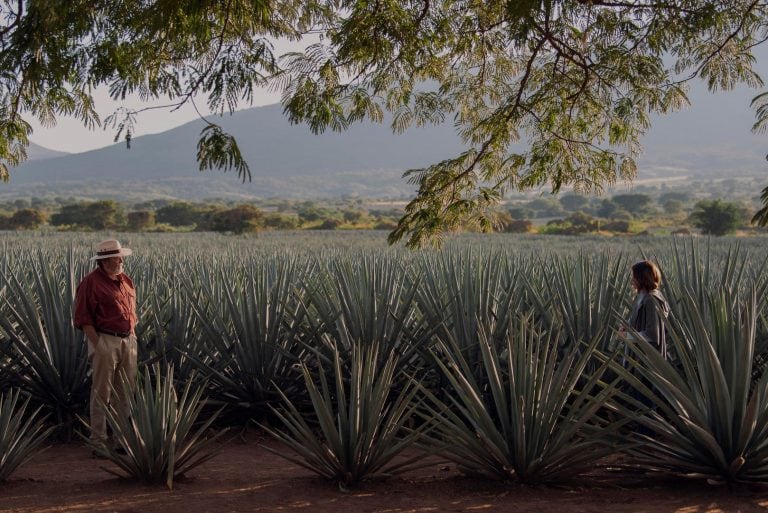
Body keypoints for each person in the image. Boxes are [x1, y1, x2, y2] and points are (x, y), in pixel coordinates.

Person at [73, 239, 138, 454]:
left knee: (125, 393)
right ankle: (98, 442)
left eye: (121, 257)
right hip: (105, 340)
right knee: (102, 392)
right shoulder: (90, 283)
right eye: (116, 257)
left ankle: (121, 441)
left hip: (128, 341)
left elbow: (131, 312)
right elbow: (83, 318)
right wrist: (98, 345)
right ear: (104, 260)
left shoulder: (125, 280)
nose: (121, 260)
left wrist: (133, 336)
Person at [618, 260, 671, 357]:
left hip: (646, 361)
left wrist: (627, 336)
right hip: (640, 358)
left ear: (642, 278)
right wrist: (627, 327)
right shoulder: (645, 296)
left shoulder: (651, 300)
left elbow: (652, 335)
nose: (632, 280)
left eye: (634, 277)